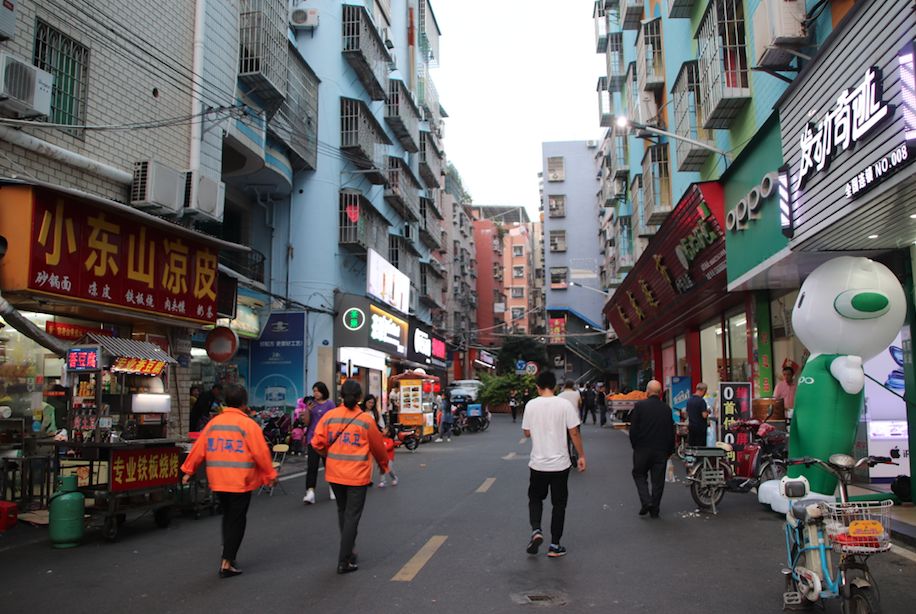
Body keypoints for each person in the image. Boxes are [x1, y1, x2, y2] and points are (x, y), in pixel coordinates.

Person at [180, 384, 277, 578]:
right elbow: (260, 453)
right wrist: (269, 475)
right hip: (240, 481)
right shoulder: (248, 425)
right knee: (237, 519)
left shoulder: (215, 423)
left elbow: (199, 447)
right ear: (244, 403)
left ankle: (228, 553)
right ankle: (227, 561)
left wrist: (188, 470)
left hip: (218, 480)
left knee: (227, 517)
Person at [311, 379, 389, 574]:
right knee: (352, 516)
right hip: (357, 476)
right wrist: (383, 466)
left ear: (341, 395)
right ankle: (344, 559)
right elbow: (379, 448)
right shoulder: (365, 420)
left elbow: (317, 443)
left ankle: (349, 551)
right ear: (360, 398)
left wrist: (327, 455)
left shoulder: (330, 417)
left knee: (343, 512)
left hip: (335, 474)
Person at [522, 370, 586, 558]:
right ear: (555, 386)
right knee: (559, 505)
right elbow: (574, 432)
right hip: (560, 465)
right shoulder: (564, 405)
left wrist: (538, 428)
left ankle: (536, 530)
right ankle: (555, 545)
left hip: (538, 464)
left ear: (538, 387)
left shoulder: (531, 405)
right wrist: (581, 455)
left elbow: (526, 432)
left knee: (535, 498)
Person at [629, 380, 676, 519]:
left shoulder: (639, 406)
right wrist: (670, 450)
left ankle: (646, 501)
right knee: (658, 481)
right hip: (661, 450)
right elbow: (670, 431)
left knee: (639, 474)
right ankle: (655, 509)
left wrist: (635, 445)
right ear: (660, 393)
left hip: (642, 449)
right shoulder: (666, 409)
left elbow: (633, 430)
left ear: (647, 392)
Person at [303, 381, 336, 505]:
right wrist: (308, 410)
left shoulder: (330, 404)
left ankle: (333, 488)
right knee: (312, 466)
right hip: (313, 439)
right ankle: (310, 492)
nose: (315, 393)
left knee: (329, 465)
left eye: (317, 390)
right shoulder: (312, 405)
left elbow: (334, 421)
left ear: (323, 391)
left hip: (327, 440)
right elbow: (306, 423)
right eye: (314, 391)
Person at [685, 382, 709, 448]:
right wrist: (708, 411)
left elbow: (686, 414)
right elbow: (704, 415)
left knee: (692, 448)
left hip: (691, 428)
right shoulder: (701, 401)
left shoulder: (689, 400)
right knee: (700, 449)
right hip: (700, 429)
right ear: (703, 390)